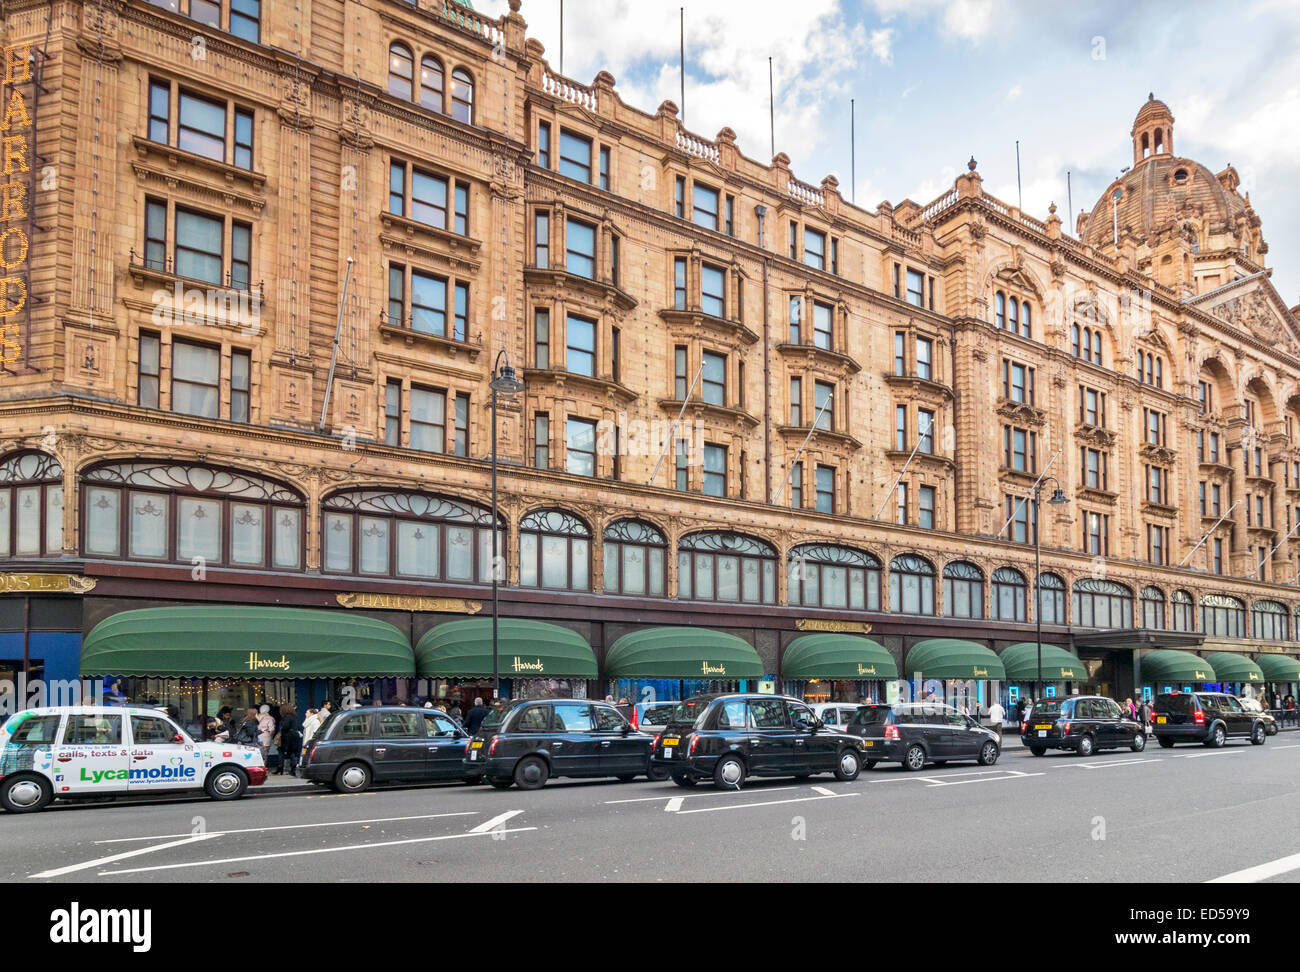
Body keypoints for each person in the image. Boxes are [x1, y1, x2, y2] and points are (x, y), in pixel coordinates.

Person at [277, 703, 302, 776]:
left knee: (287, 752)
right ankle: (292, 769)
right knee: (293, 753)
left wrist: (281, 729)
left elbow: (285, 726)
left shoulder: (287, 717)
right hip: (294, 736)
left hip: (288, 737)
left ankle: (286, 769)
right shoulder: (294, 716)